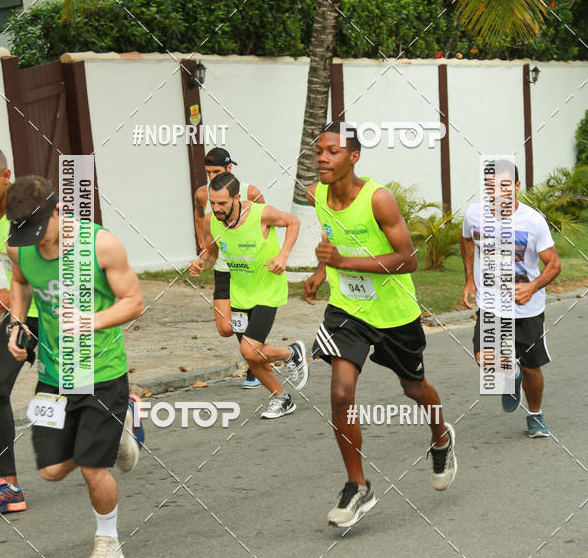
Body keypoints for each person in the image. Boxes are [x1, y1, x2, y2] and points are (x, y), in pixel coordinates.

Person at [303, 122, 457, 529]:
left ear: (354, 157)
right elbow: (331, 236)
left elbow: (408, 259)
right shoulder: (317, 193)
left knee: (413, 388)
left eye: (332, 151)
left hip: (394, 314)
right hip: (348, 309)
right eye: (319, 150)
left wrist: (342, 263)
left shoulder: (379, 200)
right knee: (340, 392)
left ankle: (440, 436)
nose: (322, 157)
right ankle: (357, 485)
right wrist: (322, 270)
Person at [6, 176, 144, 558]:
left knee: (90, 467)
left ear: (58, 211)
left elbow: (134, 301)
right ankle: (117, 433)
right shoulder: (21, 249)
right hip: (54, 373)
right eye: (25, 233)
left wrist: (89, 321)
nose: (36, 242)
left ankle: (108, 542)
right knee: (50, 471)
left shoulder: (101, 244)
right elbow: (20, 284)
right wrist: (19, 325)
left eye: (39, 230)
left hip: (101, 370)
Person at [190, 172, 308, 417]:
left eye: (222, 203)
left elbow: (293, 222)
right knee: (253, 356)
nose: (217, 208)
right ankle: (282, 398)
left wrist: (284, 254)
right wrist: (201, 262)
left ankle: (290, 353)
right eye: (212, 203)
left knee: (248, 351)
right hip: (240, 293)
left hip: (267, 290)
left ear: (237, 197)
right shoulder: (211, 220)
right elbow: (211, 253)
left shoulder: (260, 214)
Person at [461, 162, 561, 437]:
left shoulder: (533, 221)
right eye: (491, 186)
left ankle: (536, 415)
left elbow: (554, 264)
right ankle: (510, 374)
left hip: (527, 308)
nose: (497, 193)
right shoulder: (474, 214)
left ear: (517, 187)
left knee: (531, 368)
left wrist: (533, 286)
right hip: (491, 304)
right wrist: (469, 278)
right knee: (485, 359)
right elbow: (466, 239)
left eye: (504, 186)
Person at [0, 146, 38, 514]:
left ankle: (122, 408)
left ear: (6, 177)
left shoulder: (31, 207)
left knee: (76, 393)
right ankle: (10, 487)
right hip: (21, 314)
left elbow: (57, 261)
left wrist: (14, 288)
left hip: (57, 308)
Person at [194, 147, 265, 389]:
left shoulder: (250, 192)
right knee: (226, 326)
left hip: (249, 267)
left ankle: (253, 363)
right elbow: (200, 219)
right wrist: (204, 249)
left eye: (217, 171)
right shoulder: (203, 195)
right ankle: (256, 354)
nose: (212, 177)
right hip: (224, 266)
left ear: (229, 169)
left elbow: (266, 224)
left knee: (245, 315)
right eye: (208, 172)